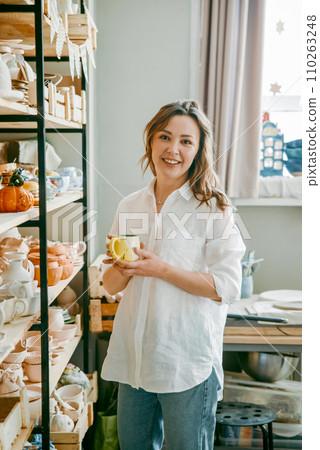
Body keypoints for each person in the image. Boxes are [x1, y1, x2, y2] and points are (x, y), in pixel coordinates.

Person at [101, 100, 246, 449]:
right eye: (165, 136)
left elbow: (227, 286)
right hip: (135, 358)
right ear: (151, 140)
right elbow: (109, 284)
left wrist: (161, 269)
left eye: (185, 141)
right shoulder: (130, 205)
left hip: (187, 359)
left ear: (198, 151)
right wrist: (122, 267)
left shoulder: (214, 207)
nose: (173, 149)